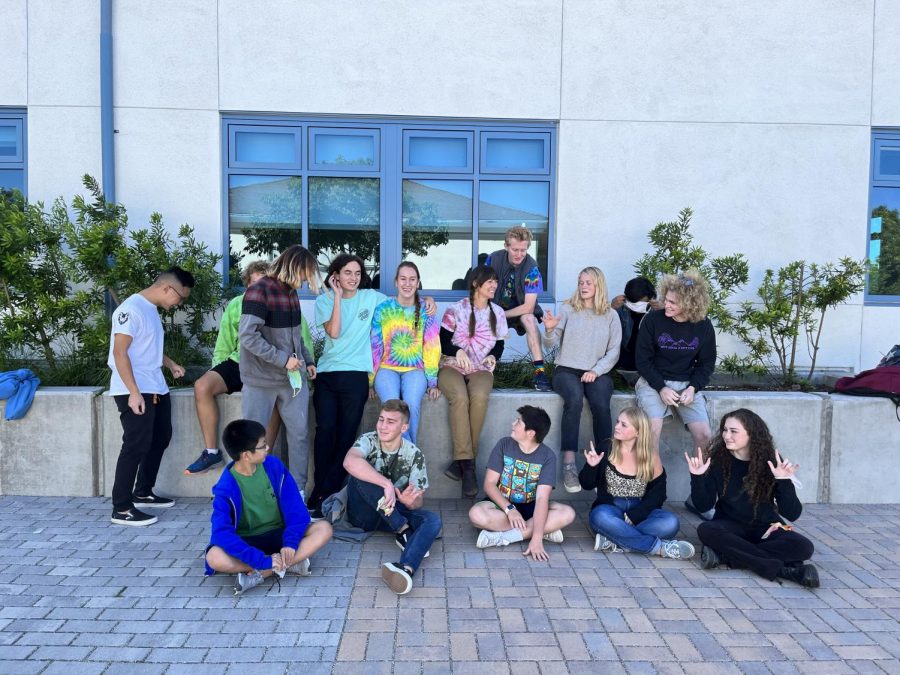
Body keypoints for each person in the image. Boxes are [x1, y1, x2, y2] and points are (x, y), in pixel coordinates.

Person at [307, 254, 437, 516]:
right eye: (347, 273)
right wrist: (334, 296)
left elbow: (424, 332)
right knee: (328, 431)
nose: (353, 278)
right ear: (336, 275)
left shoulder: (375, 299)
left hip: (382, 372)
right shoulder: (333, 302)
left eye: (357, 273)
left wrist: (429, 300)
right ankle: (322, 489)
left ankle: (402, 477)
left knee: (356, 431)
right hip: (340, 372)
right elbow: (347, 335)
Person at [184, 261, 314, 475]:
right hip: (239, 362)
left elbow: (300, 339)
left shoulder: (285, 298)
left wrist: (307, 364)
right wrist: (218, 370)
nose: (259, 288)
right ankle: (211, 451)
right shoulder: (237, 304)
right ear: (247, 285)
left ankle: (262, 465)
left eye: (263, 283)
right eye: (254, 284)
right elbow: (225, 342)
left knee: (271, 409)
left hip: (271, 368)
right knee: (202, 385)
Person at [685, 409, 819, 587]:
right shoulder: (718, 460)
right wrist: (697, 477)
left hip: (766, 528)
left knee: (804, 547)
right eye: (725, 430)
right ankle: (785, 570)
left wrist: (784, 481)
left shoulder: (772, 462)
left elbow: (792, 513)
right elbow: (703, 505)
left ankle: (729, 557)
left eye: (734, 431)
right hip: (729, 526)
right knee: (706, 530)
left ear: (752, 434)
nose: (726, 435)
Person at [204, 419, 333, 595]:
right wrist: (262, 560)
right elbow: (221, 534)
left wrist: (290, 543)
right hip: (248, 541)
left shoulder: (273, 466)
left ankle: (261, 574)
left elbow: (296, 509)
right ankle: (287, 564)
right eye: (262, 445)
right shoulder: (225, 487)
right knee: (214, 557)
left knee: (324, 528)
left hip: (279, 534)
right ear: (246, 455)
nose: (267, 448)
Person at [108, 266, 194, 526]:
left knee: (160, 437)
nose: (179, 303)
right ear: (167, 288)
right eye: (181, 297)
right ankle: (121, 507)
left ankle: (143, 491)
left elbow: (145, 346)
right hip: (134, 388)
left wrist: (170, 364)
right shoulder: (130, 309)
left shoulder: (150, 310)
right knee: (135, 444)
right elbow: (120, 353)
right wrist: (134, 393)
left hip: (155, 385)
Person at [238, 245, 318, 495]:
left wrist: (307, 359)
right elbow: (248, 336)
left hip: (291, 379)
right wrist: (283, 360)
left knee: (300, 435)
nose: (306, 280)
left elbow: (296, 336)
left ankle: (297, 492)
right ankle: (248, 492)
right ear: (294, 266)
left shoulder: (291, 293)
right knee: (252, 439)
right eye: (305, 273)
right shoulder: (258, 291)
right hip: (260, 379)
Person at [342, 399, 442, 595]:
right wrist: (386, 484)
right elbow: (349, 462)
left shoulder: (414, 454)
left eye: (390, 422)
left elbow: (418, 501)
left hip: (393, 511)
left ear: (404, 427)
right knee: (361, 475)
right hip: (364, 515)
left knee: (432, 520)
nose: (383, 426)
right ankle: (403, 530)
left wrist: (410, 502)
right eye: (381, 419)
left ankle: (405, 569)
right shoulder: (368, 440)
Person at [542, 266, 621, 492]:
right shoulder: (568, 309)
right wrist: (549, 330)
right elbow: (550, 344)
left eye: (588, 282)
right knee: (574, 399)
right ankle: (569, 464)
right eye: (581, 282)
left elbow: (614, 351)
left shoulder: (610, 315)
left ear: (599, 285)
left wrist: (596, 370)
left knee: (600, 404)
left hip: (598, 372)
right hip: (566, 370)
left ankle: (604, 465)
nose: (583, 286)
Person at [579, 407, 695, 559]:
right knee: (600, 517)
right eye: (617, 422)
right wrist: (591, 466)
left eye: (624, 425)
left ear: (638, 432)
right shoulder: (606, 447)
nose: (616, 427)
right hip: (610, 508)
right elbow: (586, 484)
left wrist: (636, 515)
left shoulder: (650, 456)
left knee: (670, 522)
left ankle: (616, 540)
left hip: (641, 508)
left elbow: (658, 495)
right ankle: (659, 548)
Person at [468, 405, 576, 561]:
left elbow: (541, 499)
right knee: (476, 514)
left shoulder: (547, 457)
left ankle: (504, 538)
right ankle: (543, 529)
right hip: (502, 505)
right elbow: (489, 484)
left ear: (531, 433)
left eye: (518, 422)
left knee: (567, 513)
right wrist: (510, 509)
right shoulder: (504, 445)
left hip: (531, 506)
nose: (513, 424)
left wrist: (537, 540)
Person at [438, 265, 508, 498]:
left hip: (481, 368)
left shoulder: (497, 311)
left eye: (495, 282)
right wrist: (457, 351)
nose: (494, 285)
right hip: (451, 365)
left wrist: (492, 356)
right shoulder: (455, 309)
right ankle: (468, 466)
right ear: (476, 284)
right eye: (490, 281)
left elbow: (499, 343)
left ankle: (463, 463)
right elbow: (443, 340)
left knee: (479, 397)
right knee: (459, 397)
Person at [634, 269, 716, 466]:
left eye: (673, 302)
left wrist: (693, 388)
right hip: (653, 382)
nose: (666, 305)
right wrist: (661, 387)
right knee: (651, 432)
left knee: (705, 436)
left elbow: (706, 364)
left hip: (687, 384)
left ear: (689, 304)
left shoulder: (703, 326)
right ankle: (654, 487)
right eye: (666, 300)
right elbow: (643, 361)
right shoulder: (653, 320)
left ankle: (699, 490)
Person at [370, 261, 441, 445]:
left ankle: (405, 456)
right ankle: (405, 455)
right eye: (403, 279)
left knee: (411, 406)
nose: (407, 283)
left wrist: (432, 382)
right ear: (396, 282)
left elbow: (431, 346)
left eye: (412, 279)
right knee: (391, 407)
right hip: (386, 368)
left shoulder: (426, 310)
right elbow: (375, 346)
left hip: (415, 370)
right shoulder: (383, 309)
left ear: (418, 283)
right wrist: (369, 381)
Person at [484, 225, 550, 392]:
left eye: (523, 250)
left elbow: (529, 306)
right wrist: (492, 314)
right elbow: (482, 288)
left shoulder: (532, 268)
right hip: (496, 306)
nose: (519, 254)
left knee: (529, 319)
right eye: (515, 249)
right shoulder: (493, 259)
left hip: (521, 309)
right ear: (506, 246)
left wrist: (501, 315)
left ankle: (539, 372)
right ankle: (482, 367)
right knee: (483, 317)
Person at [611, 276, 658, 372]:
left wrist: (664, 312)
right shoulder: (621, 309)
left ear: (651, 298)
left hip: (648, 357)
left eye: (641, 302)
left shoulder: (656, 311)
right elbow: (604, 329)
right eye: (633, 302)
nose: (636, 305)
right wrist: (611, 309)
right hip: (624, 355)